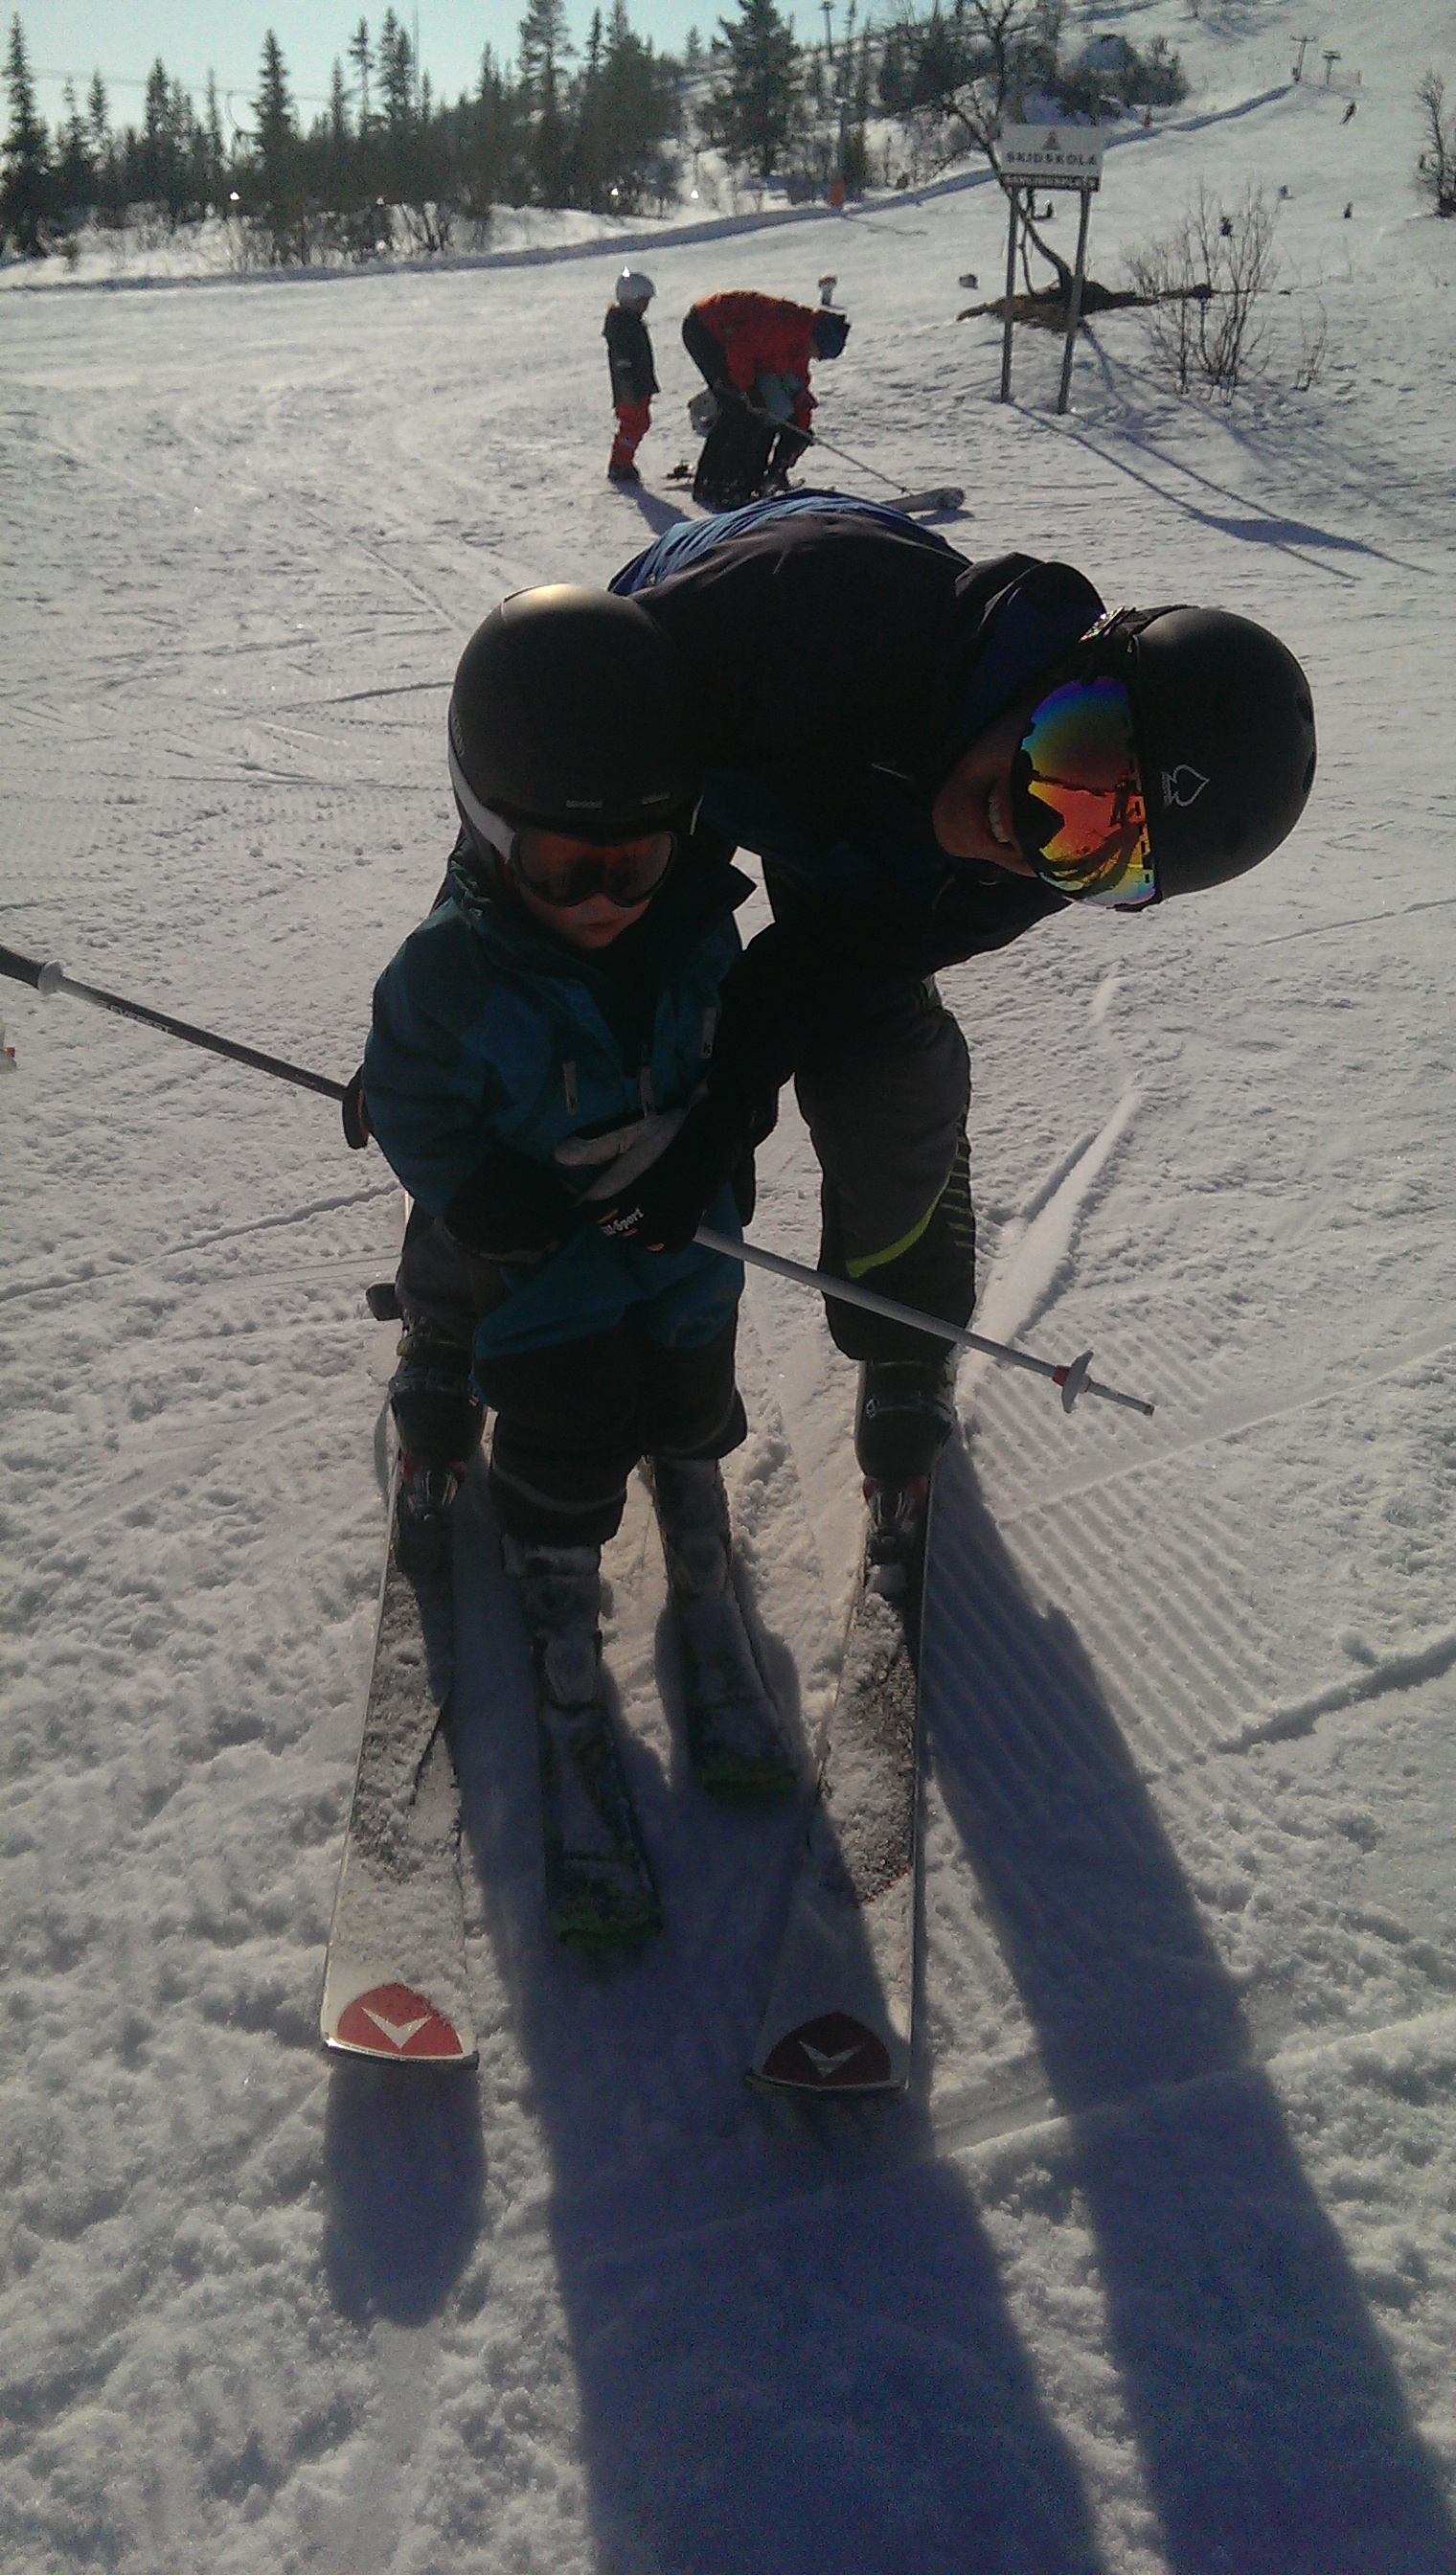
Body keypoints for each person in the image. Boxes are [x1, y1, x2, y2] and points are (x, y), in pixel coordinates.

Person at [586, 493, 1315, 1486]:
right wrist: (484, 983)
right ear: (1064, 665)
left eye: (1105, 856)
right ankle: (466, 1278)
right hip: (685, 715)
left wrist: (723, 1111)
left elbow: (827, 964)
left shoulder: (1023, 873)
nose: (1033, 825)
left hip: (855, 815)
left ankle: (907, 1327)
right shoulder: (809, 607)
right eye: (1073, 754)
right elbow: (554, 745)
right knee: (595, 980)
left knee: (884, 1070)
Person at [358, 587, 792, 1862]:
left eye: (635, 864)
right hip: (546, 1263)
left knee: (692, 1386)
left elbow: (736, 1057)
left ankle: (696, 1530)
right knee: (566, 1421)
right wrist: (473, 1191)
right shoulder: (450, 974)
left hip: (682, 1244)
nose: (604, 899)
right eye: (563, 870)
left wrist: (719, 1147)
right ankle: (558, 1588)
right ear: (489, 832)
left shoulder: (698, 932)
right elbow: (407, 1093)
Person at [681, 289, 851, 508]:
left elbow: (797, 387)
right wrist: (747, 390)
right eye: (822, 353)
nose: (818, 359)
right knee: (736, 408)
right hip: (705, 329)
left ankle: (751, 481)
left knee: (766, 412)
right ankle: (713, 484)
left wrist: (800, 427)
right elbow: (740, 351)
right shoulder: (781, 326)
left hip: (737, 343)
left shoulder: (799, 341)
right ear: (816, 339)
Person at [603, 269, 658, 486]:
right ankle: (619, 464)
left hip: (638, 384)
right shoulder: (623, 325)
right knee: (634, 423)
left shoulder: (631, 321)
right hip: (630, 388)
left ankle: (623, 461)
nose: (646, 306)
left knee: (639, 422)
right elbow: (622, 359)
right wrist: (629, 387)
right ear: (630, 299)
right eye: (643, 301)